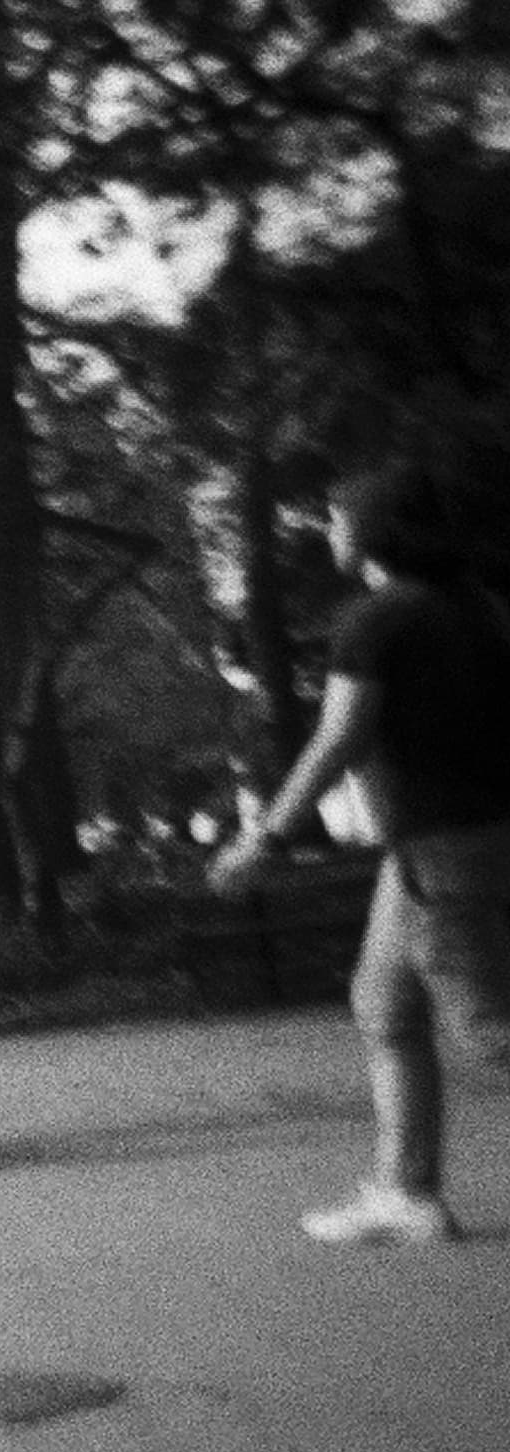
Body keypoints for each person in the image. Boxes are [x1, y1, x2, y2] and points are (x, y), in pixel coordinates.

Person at [215, 459, 510, 1243]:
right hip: (457, 841)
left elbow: (338, 738)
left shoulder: (377, 621)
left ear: (376, 529)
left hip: (438, 846)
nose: (330, 532)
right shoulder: (481, 610)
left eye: (338, 518)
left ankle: (405, 1189)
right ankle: (404, 1193)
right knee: (383, 1006)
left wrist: (267, 836)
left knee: (486, 1030)